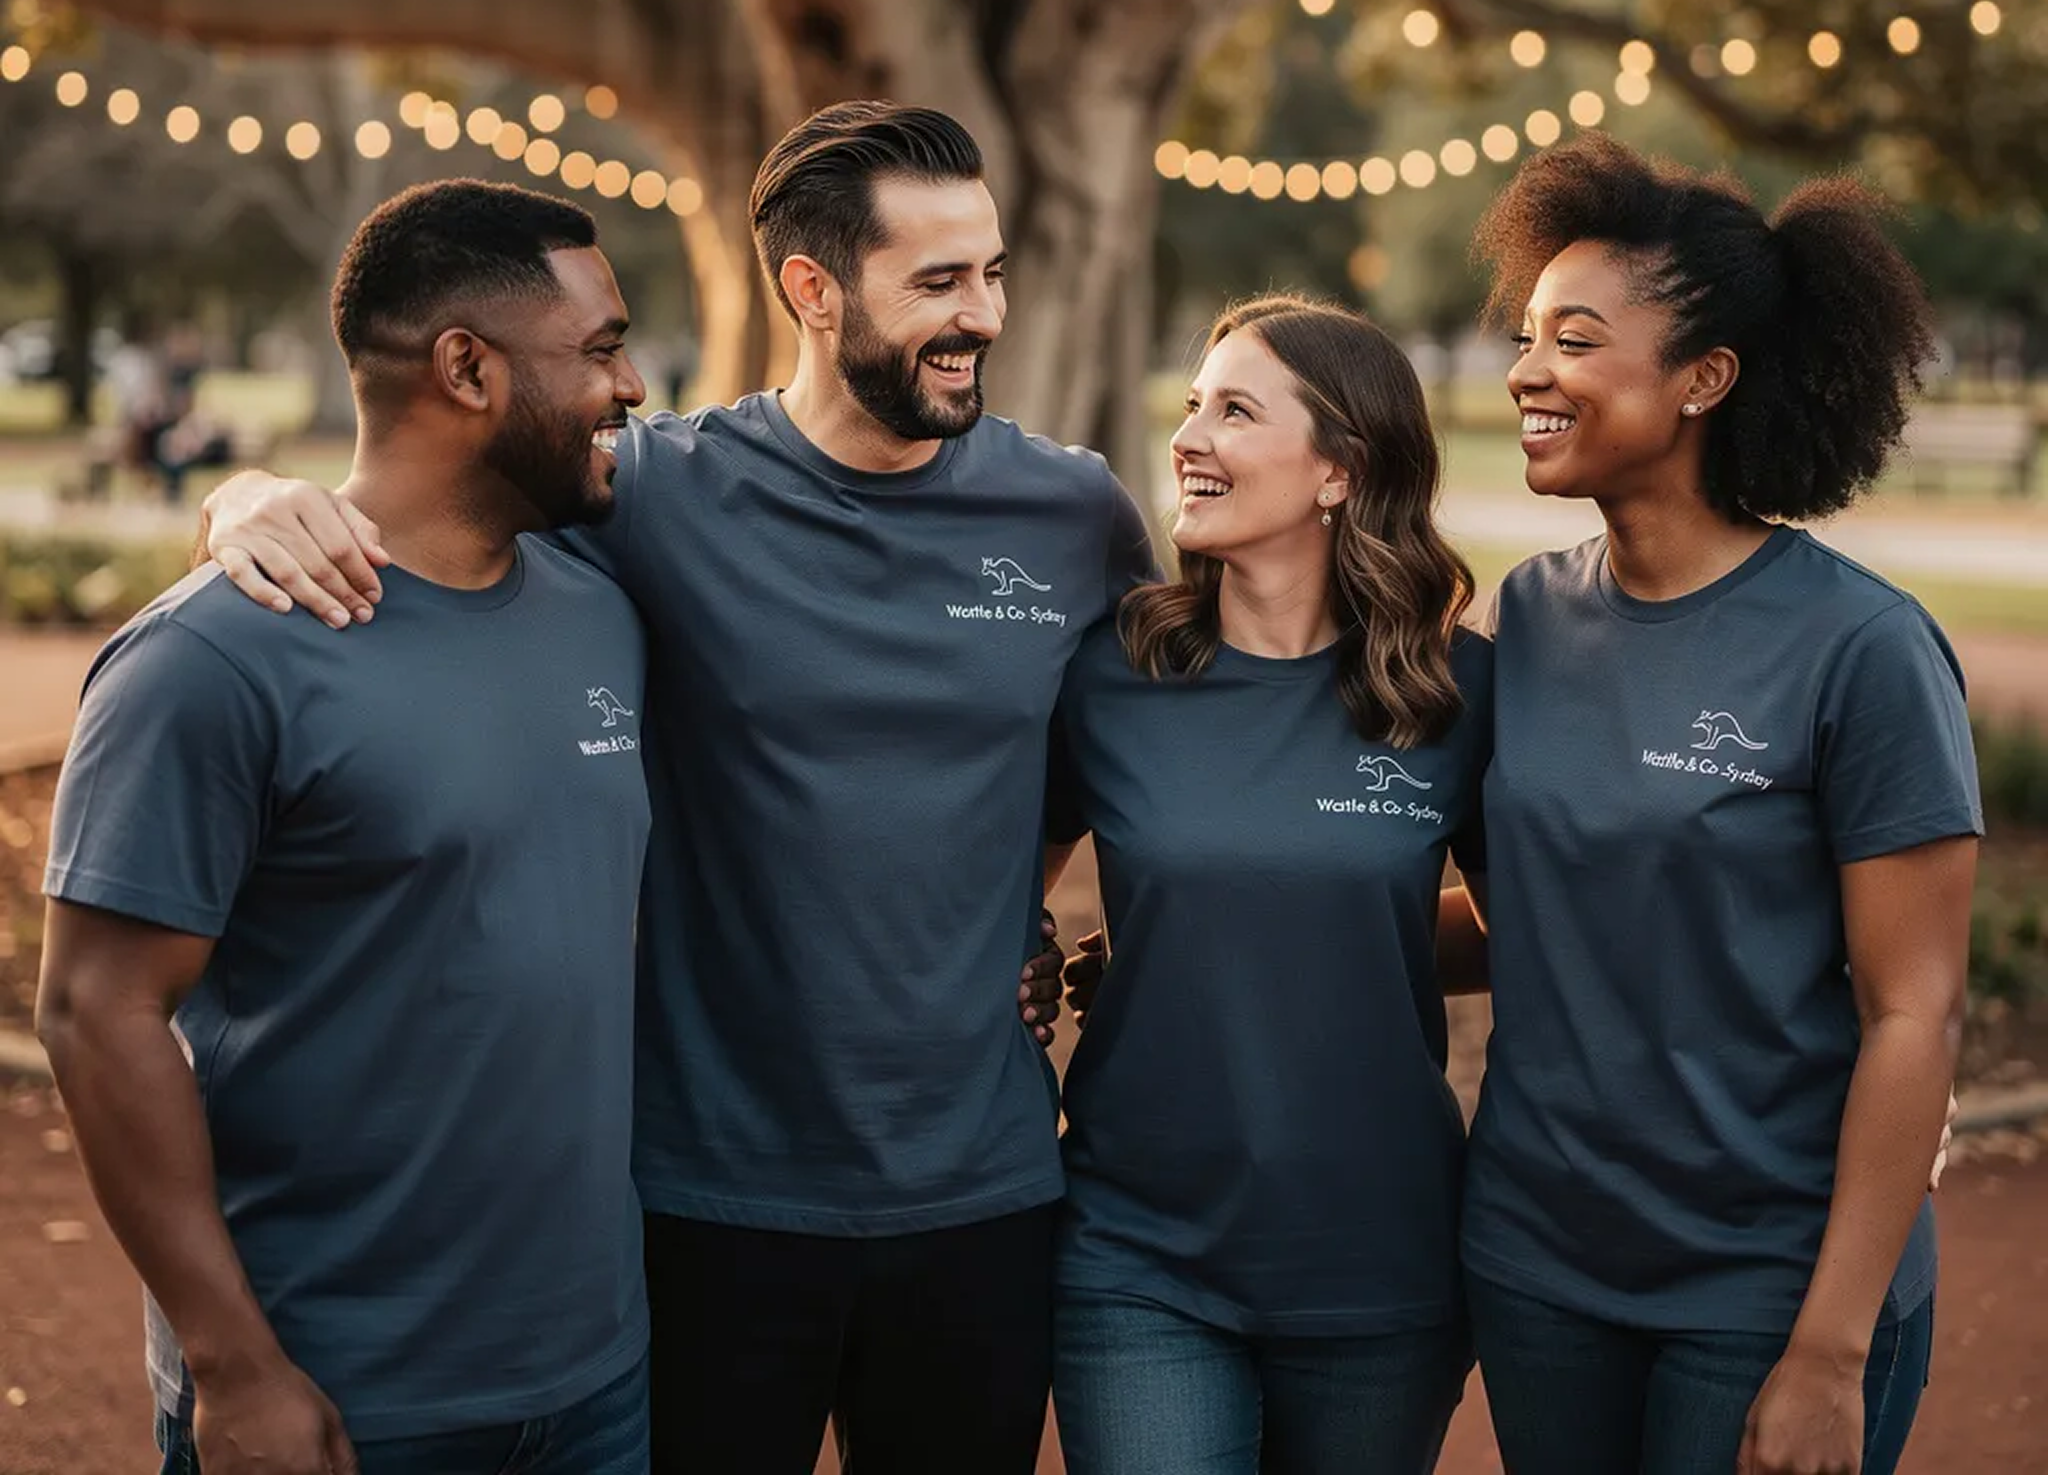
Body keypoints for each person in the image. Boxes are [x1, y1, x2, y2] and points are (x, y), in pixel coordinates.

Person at [197, 103, 1153, 1475]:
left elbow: (1111, 761)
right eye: (938, 282)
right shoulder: (649, 494)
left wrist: (1012, 900)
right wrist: (240, 498)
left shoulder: (1074, 514)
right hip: (706, 1198)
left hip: (982, 1192)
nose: (983, 314)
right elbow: (426, 514)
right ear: (812, 291)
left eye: (992, 272)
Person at [35, 180, 655, 1475]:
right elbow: (98, 1011)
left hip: (598, 1383)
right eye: (599, 349)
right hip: (338, 1390)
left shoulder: (603, 601)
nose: (634, 384)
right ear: (468, 368)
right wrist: (234, 1366)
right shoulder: (210, 660)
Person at [1461, 136, 1980, 1475]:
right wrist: (1212, 926)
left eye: (1575, 341)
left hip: (1765, 1282)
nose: (1528, 372)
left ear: (1703, 379)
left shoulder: (1860, 649)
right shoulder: (1531, 615)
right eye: (1528, 337)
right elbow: (1541, 913)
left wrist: (1830, 1349)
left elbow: (1912, 1013)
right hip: (1541, 1264)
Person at [1046, 295, 1489, 1475]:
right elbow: (995, 899)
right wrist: (1048, 959)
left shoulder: (1457, 693)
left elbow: (1541, 932)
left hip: (1379, 1260)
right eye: (1189, 404)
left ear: (1340, 469)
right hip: (1137, 1255)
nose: (1187, 434)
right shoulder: (1108, 671)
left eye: (1233, 410)